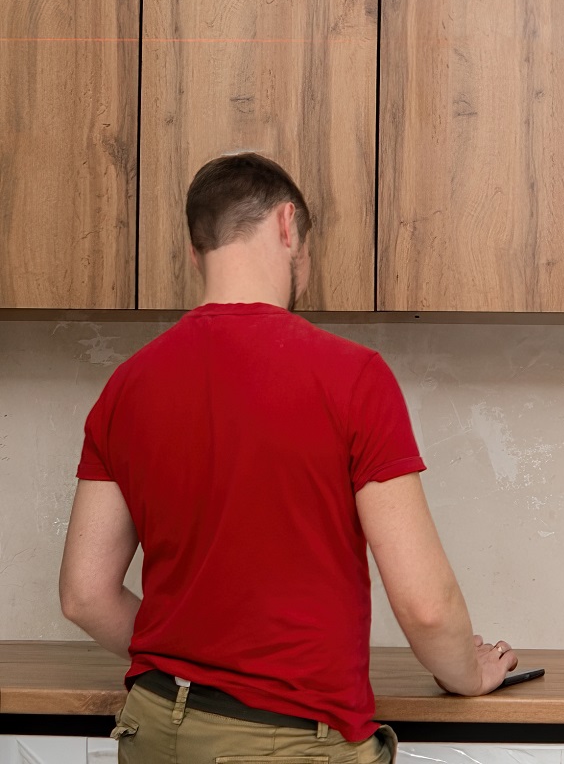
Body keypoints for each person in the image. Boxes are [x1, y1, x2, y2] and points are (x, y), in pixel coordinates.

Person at [58, 153, 519, 761]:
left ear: (196, 253)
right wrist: (470, 675)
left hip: (152, 730)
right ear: (286, 225)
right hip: (286, 742)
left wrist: (204, 654)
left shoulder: (127, 385)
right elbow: (427, 608)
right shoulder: (353, 378)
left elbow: (84, 595)